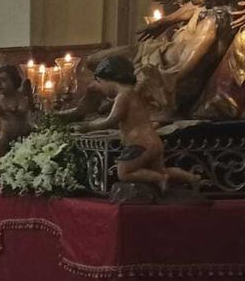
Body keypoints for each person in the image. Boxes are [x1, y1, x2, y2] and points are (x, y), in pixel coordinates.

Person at [79, 55, 200, 194]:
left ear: (108, 80)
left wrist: (88, 127)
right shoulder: (132, 93)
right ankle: (191, 177)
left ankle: (160, 178)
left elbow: (111, 120)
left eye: (100, 83)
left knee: (123, 172)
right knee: (160, 168)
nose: (101, 89)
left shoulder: (123, 96)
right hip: (153, 142)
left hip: (140, 144)